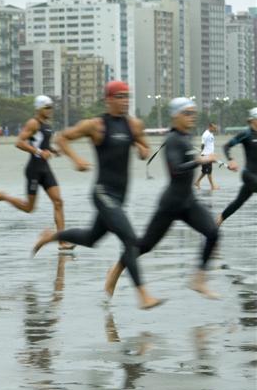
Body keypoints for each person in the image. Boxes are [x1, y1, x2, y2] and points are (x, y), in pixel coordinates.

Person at [32, 81, 163, 310]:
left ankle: (52, 236)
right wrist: (76, 159)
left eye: (127, 96)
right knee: (131, 241)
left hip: (120, 196)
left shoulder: (134, 125)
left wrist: (143, 150)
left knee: (92, 239)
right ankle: (143, 295)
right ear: (108, 99)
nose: (125, 101)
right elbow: (61, 138)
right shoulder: (96, 125)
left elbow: (144, 146)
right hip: (103, 193)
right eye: (119, 96)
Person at [121, 98, 220, 299]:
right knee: (145, 246)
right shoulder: (173, 140)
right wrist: (199, 160)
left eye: (193, 113)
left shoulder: (186, 137)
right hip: (171, 204)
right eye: (187, 113)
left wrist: (199, 160)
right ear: (176, 116)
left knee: (213, 233)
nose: (192, 117)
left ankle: (198, 280)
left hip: (188, 202)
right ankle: (116, 270)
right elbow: (176, 170)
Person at [0, 95, 70, 249]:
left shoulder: (47, 125)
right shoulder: (33, 123)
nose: (50, 110)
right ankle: (3, 196)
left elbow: (42, 143)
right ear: (39, 108)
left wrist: (54, 150)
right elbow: (19, 142)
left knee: (58, 202)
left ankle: (62, 241)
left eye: (51, 107)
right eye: (47, 107)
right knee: (29, 208)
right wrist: (39, 152)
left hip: (45, 169)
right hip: (34, 169)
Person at [217, 107, 257, 226]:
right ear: (253, 119)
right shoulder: (246, 134)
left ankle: (219, 220)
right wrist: (231, 160)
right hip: (248, 174)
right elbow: (226, 146)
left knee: (238, 202)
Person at [194, 123, 218, 191]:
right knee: (209, 172)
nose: (215, 129)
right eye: (214, 128)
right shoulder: (205, 134)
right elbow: (202, 144)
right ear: (210, 127)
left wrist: (212, 154)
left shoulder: (211, 134)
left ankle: (197, 182)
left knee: (205, 171)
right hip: (206, 155)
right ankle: (212, 186)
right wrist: (202, 152)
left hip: (210, 155)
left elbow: (210, 145)